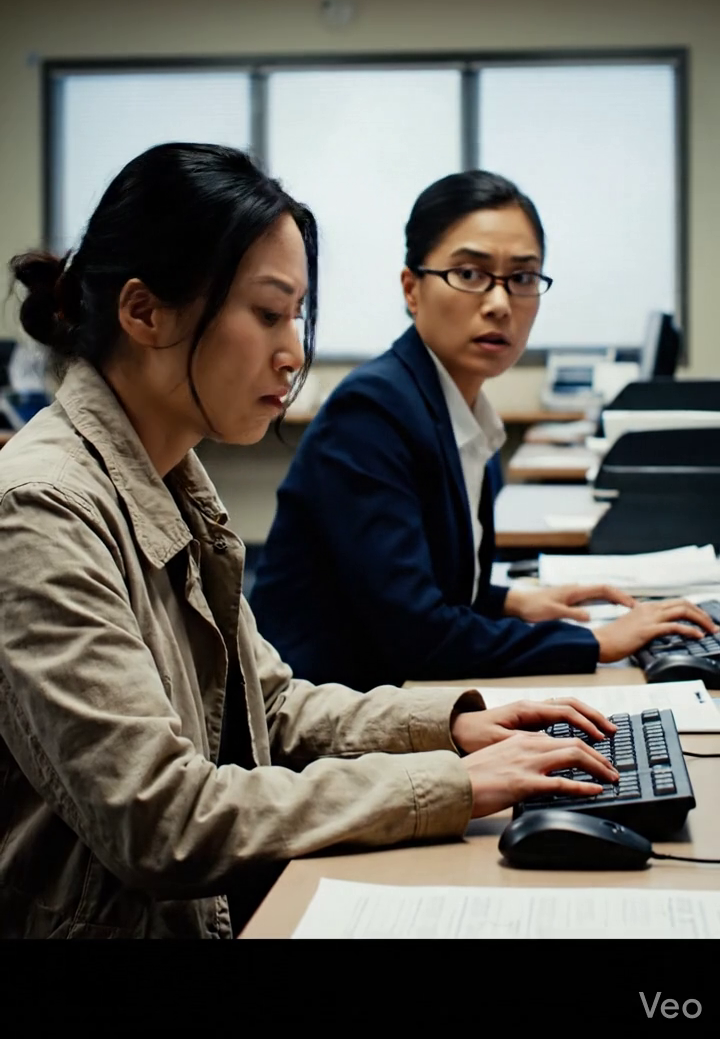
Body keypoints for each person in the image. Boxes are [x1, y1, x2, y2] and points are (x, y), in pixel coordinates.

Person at [0, 143, 629, 940]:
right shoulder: (41, 509)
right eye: (268, 314)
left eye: (296, 315)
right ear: (144, 311)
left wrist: (457, 725)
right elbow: (162, 820)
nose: (294, 352)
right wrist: (454, 785)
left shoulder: (172, 477)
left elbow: (273, 706)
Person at [251, 170, 713, 690]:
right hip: (316, 715)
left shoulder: (460, 411)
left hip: (391, 695)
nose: (499, 303)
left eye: (522, 278)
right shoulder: (371, 413)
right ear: (412, 289)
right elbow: (417, 634)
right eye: (469, 273)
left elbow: (425, 586)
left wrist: (514, 601)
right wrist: (595, 643)